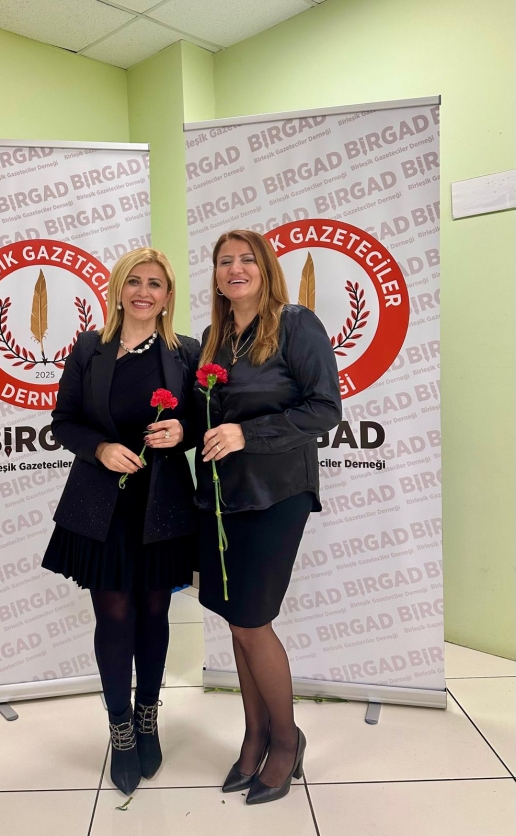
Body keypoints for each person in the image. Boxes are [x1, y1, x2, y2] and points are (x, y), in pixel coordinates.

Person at [43, 248, 200, 795]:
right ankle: (121, 730)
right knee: (113, 615)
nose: (143, 292)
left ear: (168, 295)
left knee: (155, 612)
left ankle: (148, 715)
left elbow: (204, 420)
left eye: (155, 283)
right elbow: (64, 421)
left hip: (163, 504)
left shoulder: (187, 352)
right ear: (118, 289)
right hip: (100, 503)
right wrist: (101, 448)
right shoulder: (89, 348)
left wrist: (183, 431)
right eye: (134, 281)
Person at [195, 229, 342, 805]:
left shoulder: (296, 324)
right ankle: (254, 735)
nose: (235, 269)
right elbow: (209, 412)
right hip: (223, 496)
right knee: (237, 622)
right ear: (215, 275)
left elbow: (324, 408)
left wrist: (246, 434)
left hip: (278, 493)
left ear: (265, 268)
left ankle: (286, 740)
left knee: (253, 622)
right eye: (224, 262)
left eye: (246, 260)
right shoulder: (216, 337)